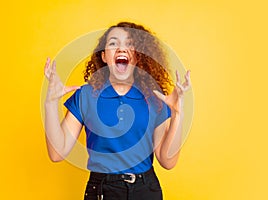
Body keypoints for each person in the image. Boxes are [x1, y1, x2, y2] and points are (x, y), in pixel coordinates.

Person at [44, 22, 191, 200]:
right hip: (101, 191)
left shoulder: (154, 98)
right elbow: (57, 153)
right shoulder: (86, 96)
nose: (121, 48)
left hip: (145, 190)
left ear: (138, 56)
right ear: (104, 56)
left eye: (129, 43)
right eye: (113, 43)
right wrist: (50, 103)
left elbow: (167, 161)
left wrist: (177, 114)